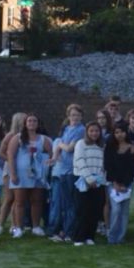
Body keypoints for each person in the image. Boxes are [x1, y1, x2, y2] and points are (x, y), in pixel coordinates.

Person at [7, 113, 52, 238]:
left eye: (34, 121)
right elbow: (10, 155)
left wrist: (48, 162)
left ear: (38, 124)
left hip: (37, 174)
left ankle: (36, 226)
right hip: (21, 174)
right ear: (25, 124)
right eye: (29, 121)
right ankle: (18, 227)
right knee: (19, 202)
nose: (32, 123)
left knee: (36, 201)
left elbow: (52, 153)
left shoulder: (43, 139)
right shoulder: (18, 138)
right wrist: (13, 174)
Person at [47, 104, 86, 243]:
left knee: (70, 204)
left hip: (71, 170)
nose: (75, 117)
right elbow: (60, 149)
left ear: (81, 117)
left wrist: (59, 145)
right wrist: (56, 152)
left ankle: (68, 232)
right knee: (60, 203)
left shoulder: (81, 130)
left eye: (77, 115)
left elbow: (69, 148)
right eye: (72, 115)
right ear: (68, 116)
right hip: (61, 169)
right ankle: (60, 230)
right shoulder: (67, 129)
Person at [71, 121, 106, 246]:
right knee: (82, 210)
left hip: (98, 182)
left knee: (95, 210)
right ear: (87, 132)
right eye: (91, 131)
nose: (94, 133)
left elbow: (103, 165)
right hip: (83, 181)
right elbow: (80, 161)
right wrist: (89, 179)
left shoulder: (101, 146)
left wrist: (99, 179)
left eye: (96, 131)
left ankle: (89, 236)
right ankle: (79, 238)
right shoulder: (81, 144)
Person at [103, 124, 134, 244]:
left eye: (122, 132)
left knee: (124, 212)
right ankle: (112, 237)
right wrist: (115, 184)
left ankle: (121, 237)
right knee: (116, 210)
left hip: (127, 184)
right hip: (112, 183)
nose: (119, 134)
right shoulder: (110, 147)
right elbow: (108, 166)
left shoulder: (132, 148)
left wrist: (126, 184)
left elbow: (132, 167)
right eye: (117, 132)